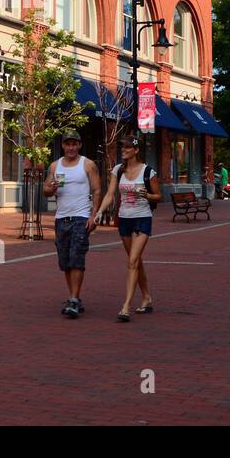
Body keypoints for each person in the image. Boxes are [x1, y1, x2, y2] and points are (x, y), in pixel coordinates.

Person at [96, 135, 161, 322]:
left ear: (136, 150)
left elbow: (158, 196)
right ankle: (147, 297)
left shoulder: (148, 172)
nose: (123, 151)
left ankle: (125, 307)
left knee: (132, 262)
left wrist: (147, 194)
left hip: (142, 218)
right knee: (136, 261)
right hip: (124, 219)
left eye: (127, 148)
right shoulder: (118, 170)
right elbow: (110, 193)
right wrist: (100, 211)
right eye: (122, 148)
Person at [43, 129, 101, 319]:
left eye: (74, 144)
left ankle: (74, 299)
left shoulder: (88, 165)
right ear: (63, 145)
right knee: (65, 261)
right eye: (68, 144)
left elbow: (97, 190)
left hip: (81, 217)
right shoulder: (55, 166)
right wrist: (51, 188)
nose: (71, 147)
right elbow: (45, 190)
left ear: (79, 145)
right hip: (61, 218)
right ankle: (73, 296)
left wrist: (94, 215)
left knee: (77, 257)